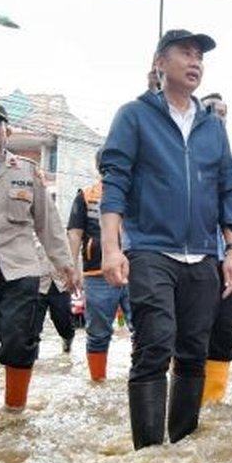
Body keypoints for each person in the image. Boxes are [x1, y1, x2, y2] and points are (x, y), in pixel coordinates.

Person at [99, 29, 232, 449]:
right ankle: (148, 454)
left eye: (199, 55)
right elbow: (115, 182)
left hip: (202, 256)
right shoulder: (134, 116)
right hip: (149, 250)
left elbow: (224, 191)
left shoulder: (212, 127)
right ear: (159, 62)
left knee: (194, 351)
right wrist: (111, 247)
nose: (195, 61)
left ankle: (181, 448)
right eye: (185, 52)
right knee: (155, 346)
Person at [0, 100, 79, 412]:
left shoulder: (27, 172)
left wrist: (66, 266)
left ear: (7, 130)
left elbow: (48, 224)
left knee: (18, 339)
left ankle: (14, 413)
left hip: (21, 271)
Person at [198, 93, 232, 404]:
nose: (217, 116)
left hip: (230, 259)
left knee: (225, 328)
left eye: (223, 112)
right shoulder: (184, 153)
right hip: (194, 259)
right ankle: (186, 396)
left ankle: (213, 402)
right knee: (192, 330)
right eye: (210, 110)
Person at [67, 160, 132, 382]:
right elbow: (75, 233)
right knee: (97, 333)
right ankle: (98, 381)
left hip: (136, 271)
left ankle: (142, 378)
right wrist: (72, 267)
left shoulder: (136, 191)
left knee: (145, 329)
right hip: (97, 274)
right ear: (99, 167)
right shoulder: (86, 195)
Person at [34, 242, 77, 353]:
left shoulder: (62, 237)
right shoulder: (29, 235)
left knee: (63, 320)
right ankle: (32, 358)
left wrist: (75, 277)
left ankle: (67, 342)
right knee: (33, 326)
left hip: (60, 284)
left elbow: (74, 256)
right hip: (37, 285)